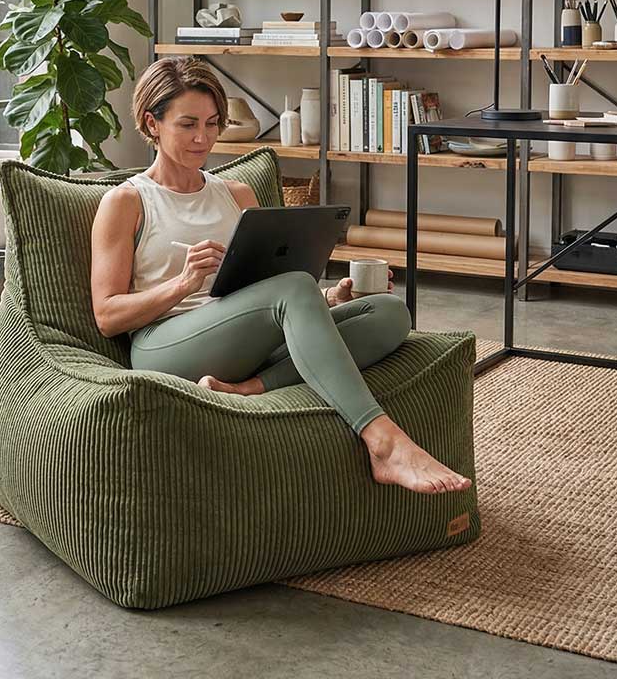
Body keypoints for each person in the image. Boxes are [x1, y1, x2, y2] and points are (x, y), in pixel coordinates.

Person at [91, 56, 472, 496]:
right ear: (151, 123)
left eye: (213, 124)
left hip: (245, 341)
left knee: (389, 312)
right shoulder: (126, 201)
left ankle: (248, 388)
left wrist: (327, 300)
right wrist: (182, 284)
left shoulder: (235, 193)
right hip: (164, 345)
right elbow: (107, 315)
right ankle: (383, 440)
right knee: (294, 287)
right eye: (187, 124)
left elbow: (266, 284)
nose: (203, 138)